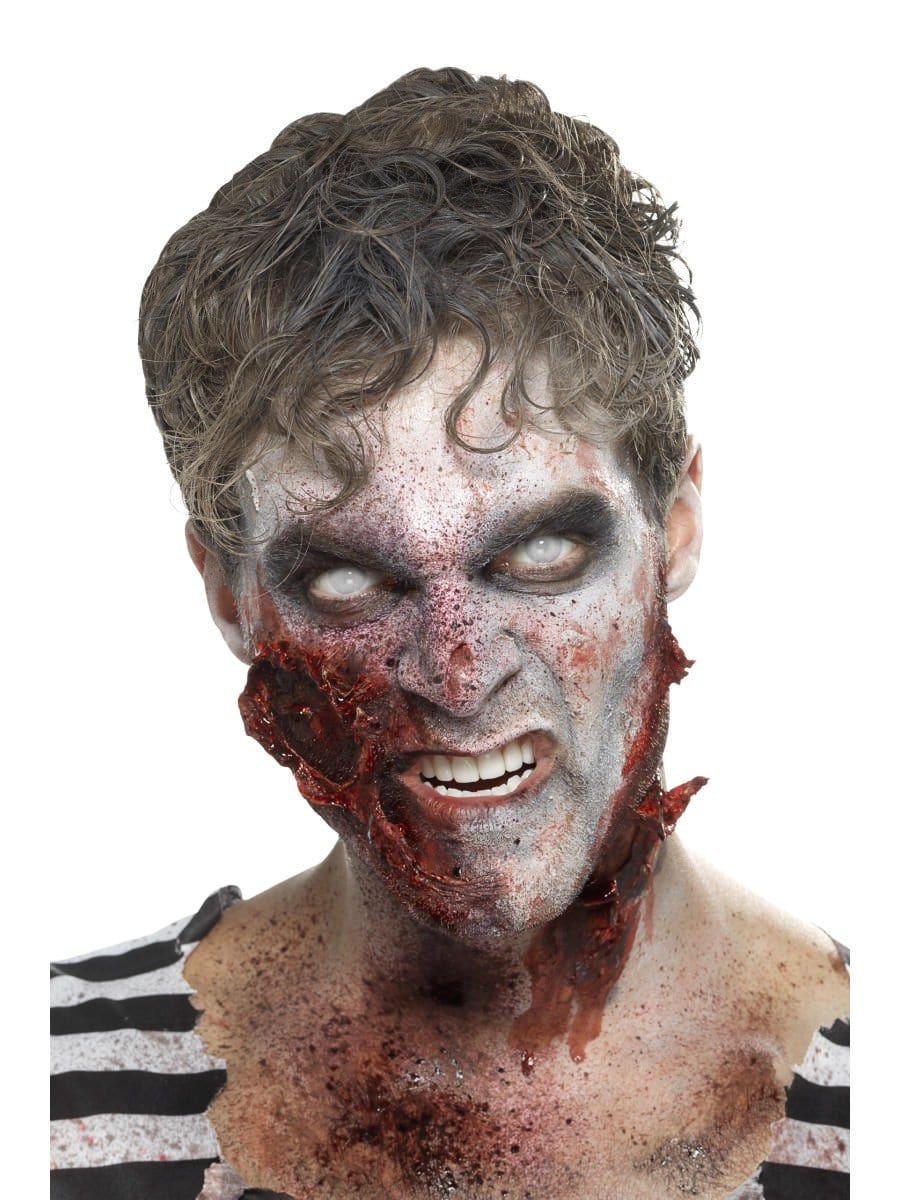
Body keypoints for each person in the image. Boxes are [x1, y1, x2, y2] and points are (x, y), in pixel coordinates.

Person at [50, 67, 849, 1200]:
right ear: (230, 596)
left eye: (540, 554)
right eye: (347, 579)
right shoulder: (52, 1094)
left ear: (674, 526)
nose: (460, 672)